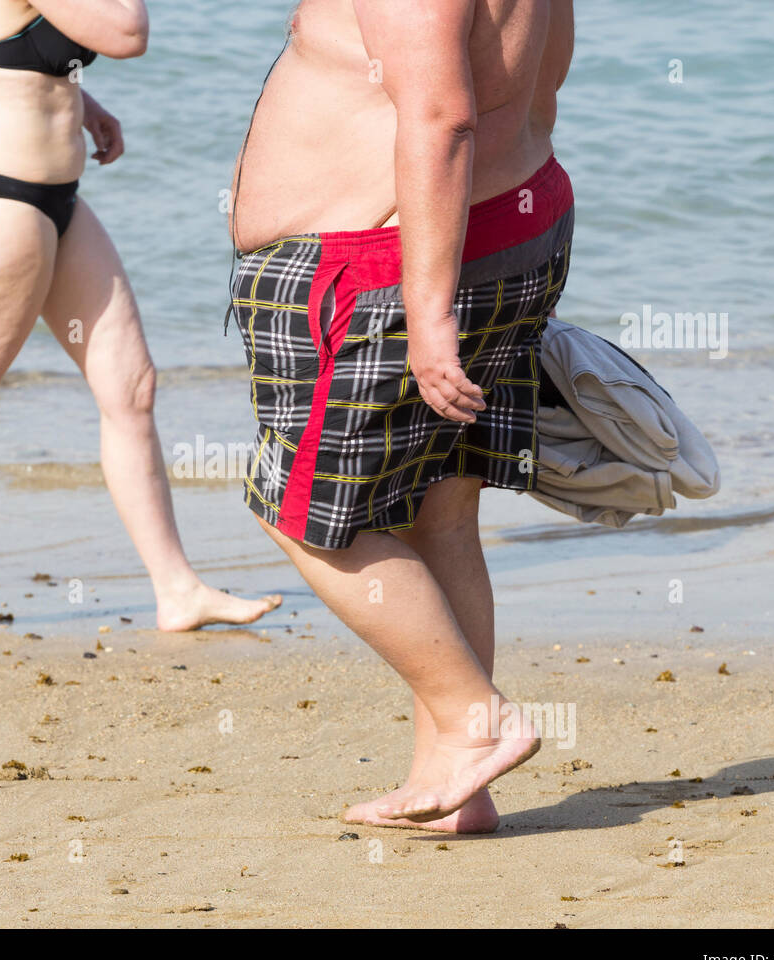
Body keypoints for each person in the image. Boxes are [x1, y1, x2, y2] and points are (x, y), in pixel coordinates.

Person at [229, 0, 575, 831]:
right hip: (507, 222)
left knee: (306, 517)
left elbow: (441, 114)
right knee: (441, 510)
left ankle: (472, 721)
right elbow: (537, 82)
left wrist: (428, 316)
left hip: (377, 264)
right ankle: (458, 785)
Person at [0, 0, 282, 640]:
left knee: (131, 387)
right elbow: (129, 32)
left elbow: (27, 63)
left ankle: (178, 590)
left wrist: (87, 105)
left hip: (57, 201)